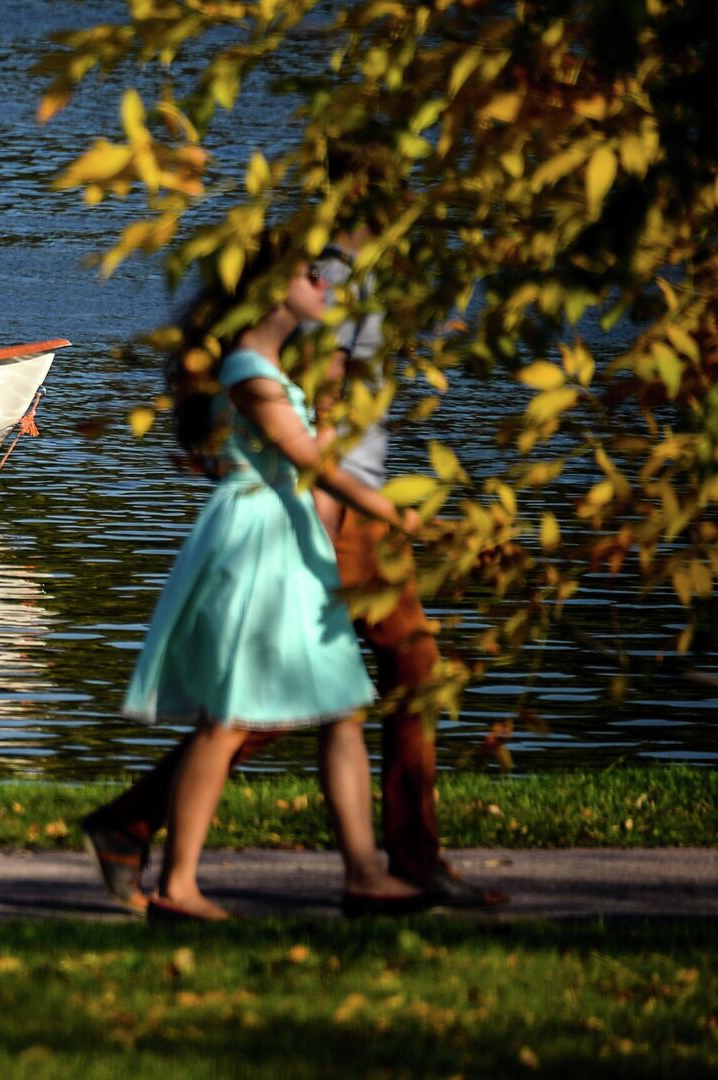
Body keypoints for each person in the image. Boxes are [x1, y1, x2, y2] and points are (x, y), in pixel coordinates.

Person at [80, 239, 508, 916]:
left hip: (302, 526)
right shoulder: (266, 353)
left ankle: (367, 872)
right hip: (274, 540)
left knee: (341, 703)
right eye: (313, 277)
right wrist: (407, 518)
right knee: (248, 711)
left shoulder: (284, 342)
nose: (326, 284)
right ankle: (168, 868)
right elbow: (312, 457)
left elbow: (295, 434)